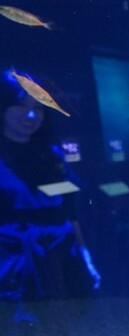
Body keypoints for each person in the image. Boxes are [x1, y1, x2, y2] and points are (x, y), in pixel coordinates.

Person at [0, 69, 101, 323]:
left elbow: (69, 208)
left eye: (40, 106)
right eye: (20, 105)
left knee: (59, 328)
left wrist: (86, 256)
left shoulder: (53, 156)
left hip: (58, 258)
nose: (31, 115)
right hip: (11, 263)